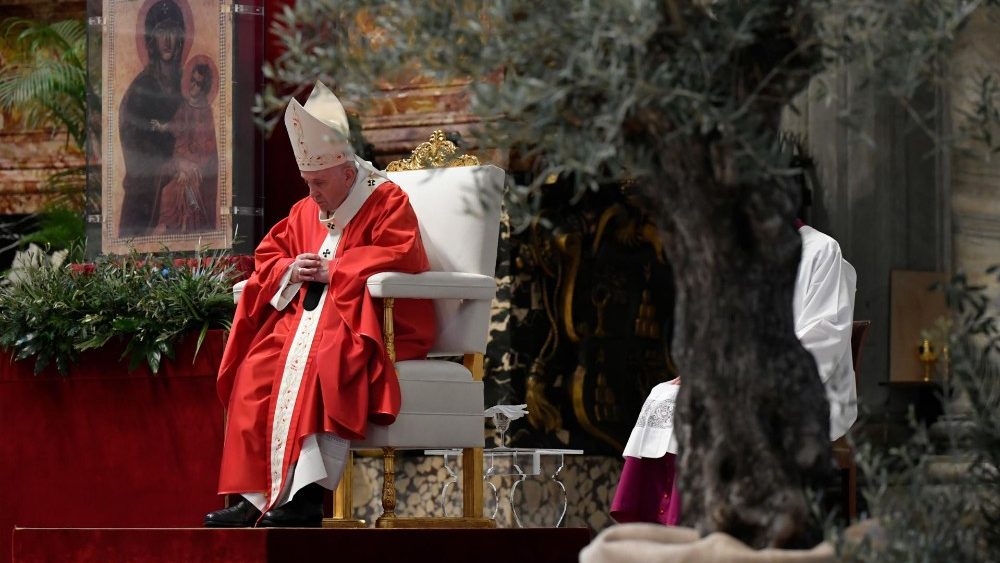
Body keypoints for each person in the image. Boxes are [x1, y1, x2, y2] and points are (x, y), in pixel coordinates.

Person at [204, 81, 436, 527]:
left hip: (366, 324)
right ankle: (254, 498)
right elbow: (269, 255)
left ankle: (306, 498)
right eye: (307, 184)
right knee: (258, 365)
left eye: (320, 184)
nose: (313, 196)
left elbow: (402, 253)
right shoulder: (307, 208)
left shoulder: (386, 201)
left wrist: (339, 270)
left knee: (323, 359)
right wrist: (292, 269)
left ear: (348, 174)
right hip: (307, 322)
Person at [610, 221, 857, 525]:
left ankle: (705, 530)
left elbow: (824, 340)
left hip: (799, 393)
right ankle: (667, 530)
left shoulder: (820, 250)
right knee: (665, 396)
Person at [118, 0, 185, 236]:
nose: (167, 40)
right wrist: (164, 164)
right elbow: (133, 140)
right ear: (152, 41)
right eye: (161, 33)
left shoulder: (186, 83)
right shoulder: (140, 90)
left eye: (173, 33)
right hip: (145, 195)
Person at [151, 61, 219, 234]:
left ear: (204, 88)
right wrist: (161, 127)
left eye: (198, 84)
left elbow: (208, 147)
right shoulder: (184, 106)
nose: (193, 87)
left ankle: (185, 227)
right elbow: (175, 125)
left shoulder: (206, 113)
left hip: (197, 166)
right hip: (181, 160)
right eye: (192, 81)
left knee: (183, 191)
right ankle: (167, 226)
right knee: (167, 192)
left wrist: (189, 166)